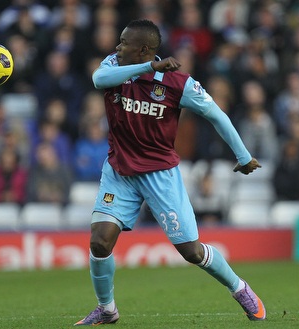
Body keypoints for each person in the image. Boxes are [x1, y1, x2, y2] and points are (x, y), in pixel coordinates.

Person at [74, 20, 266, 326]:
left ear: (144, 49)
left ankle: (239, 288)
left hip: (160, 175)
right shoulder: (113, 65)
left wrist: (243, 156)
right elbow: (99, 79)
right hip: (119, 170)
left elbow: (216, 114)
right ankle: (107, 309)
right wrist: (146, 67)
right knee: (99, 241)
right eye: (119, 41)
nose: (117, 47)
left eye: (124, 43)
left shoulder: (178, 83)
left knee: (191, 251)